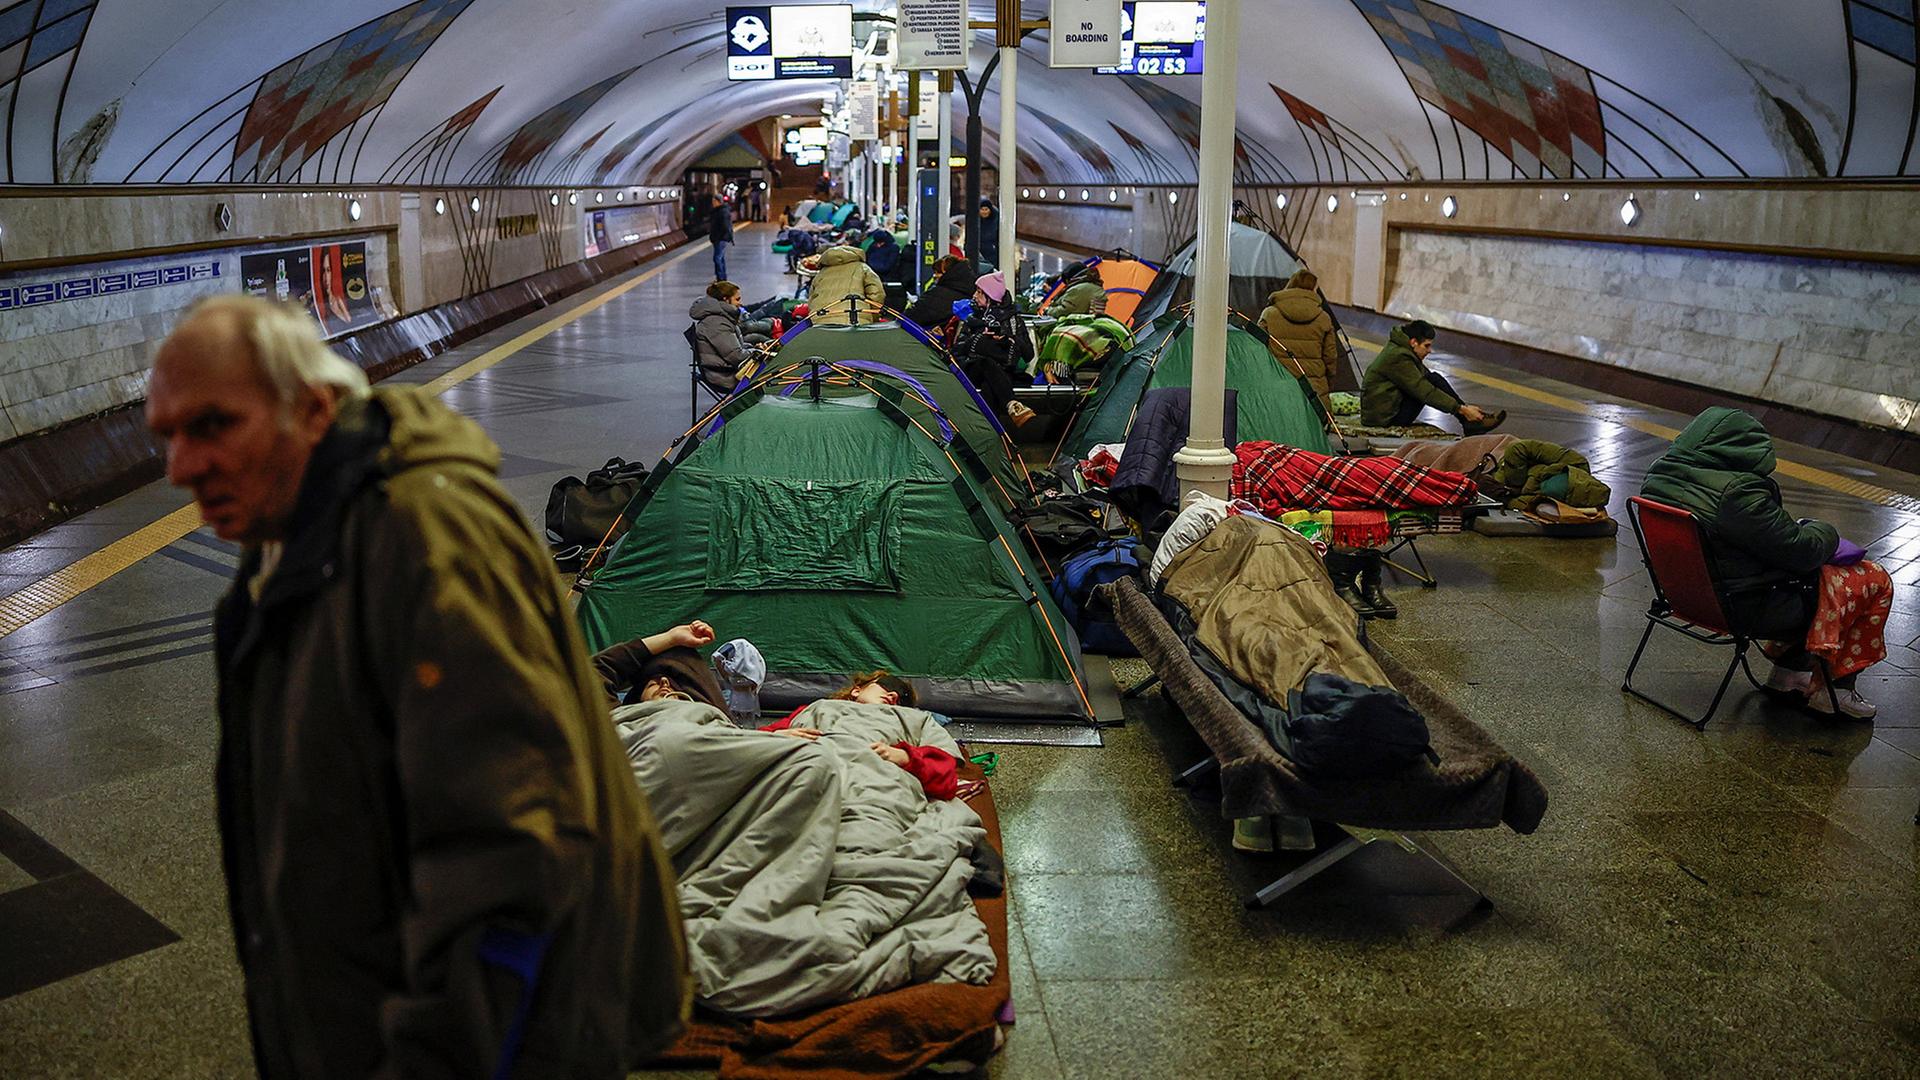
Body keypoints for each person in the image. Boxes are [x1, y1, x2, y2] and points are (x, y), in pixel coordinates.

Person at [144, 295, 688, 1078]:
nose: (180, 467)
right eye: (167, 436)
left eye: (214, 425)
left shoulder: (424, 539)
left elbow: (510, 849)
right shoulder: (289, 538)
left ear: (316, 409)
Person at [1641, 407, 1891, 718]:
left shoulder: (1658, 474)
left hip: (1682, 597)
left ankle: (1789, 675)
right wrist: (1824, 529)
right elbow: (1802, 552)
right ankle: (1835, 690)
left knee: (1807, 576)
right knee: (1870, 578)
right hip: (1743, 607)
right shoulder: (1738, 493)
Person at [760, 671, 960, 800]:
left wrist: (907, 757)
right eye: (888, 685)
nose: (894, 695)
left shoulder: (917, 719)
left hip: (874, 784)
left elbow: (946, 769)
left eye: (903, 699)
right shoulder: (815, 708)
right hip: (805, 772)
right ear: (856, 690)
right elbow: (746, 744)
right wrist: (778, 738)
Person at [1360, 319, 1504, 432]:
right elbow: (1424, 390)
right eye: (1427, 346)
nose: (1429, 351)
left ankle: (1469, 420)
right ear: (1413, 342)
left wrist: (1462, 407)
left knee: (1434, 378)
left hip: (1385, 411)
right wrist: (1461, 409)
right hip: (1383, 419)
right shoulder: (1399, 357)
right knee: (1429, 383)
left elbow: (1427, 379)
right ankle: (1468, 420)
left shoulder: (1401, 349)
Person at [951, 270, 1036, 429]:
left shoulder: (1013, 320)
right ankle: (1012, 404)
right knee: (986, 363)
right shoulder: (971, 318)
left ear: (990, 296)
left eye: (979, 292)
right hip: (972, 367)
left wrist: (1008, 338)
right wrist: (981, 341)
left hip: (1000, 372)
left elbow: (1028, 353)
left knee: (989, 386)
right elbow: (957, 351)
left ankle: (988, 435)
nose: (974, 296)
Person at [1258, 268, 1338, 413]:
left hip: (1277, 384)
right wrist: (1328, 381)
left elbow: (1258, 348)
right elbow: (1330, 356)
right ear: (1313, 288)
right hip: (1314, 390)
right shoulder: (1323, 317)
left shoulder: (1269, 314)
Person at [689, 281, 769, 389]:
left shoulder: (719, 318)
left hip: (724, 370)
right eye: (737, 299)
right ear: (726, 300)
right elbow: (736, 356)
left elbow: (734, 349)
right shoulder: (717, 323)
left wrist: (753, 348)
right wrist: (757, 352)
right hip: (726, 377)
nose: (740, 303)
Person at [806, 243, 885, 326]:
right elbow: (876, 294)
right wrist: (874, 317)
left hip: (820, 320)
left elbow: (812, 299)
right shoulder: (862, 268)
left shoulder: (821, 274)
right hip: (855, 318)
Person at [904, 255, 978, 332]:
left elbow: (909, 317)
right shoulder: (972, 291)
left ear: (946, 273)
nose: (934, 276)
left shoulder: (936, 295)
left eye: (937, 272)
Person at [707, 194, 734, 281]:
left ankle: (720, 278)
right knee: (720, 258)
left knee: (717, 258)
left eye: (714, 201)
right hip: (718, 238)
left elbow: (725, 226)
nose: (713, 203)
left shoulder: (722, 212)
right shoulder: (719, 211)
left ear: (718, 201)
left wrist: (721, 236)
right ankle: (722, 276)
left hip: (720, 238)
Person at [976, 199, 1000, 269]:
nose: (984, 212)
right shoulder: (976, 221)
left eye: (986, 209)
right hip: (980, 253)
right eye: (982, 209)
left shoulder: (996, 220)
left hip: (993, 253)